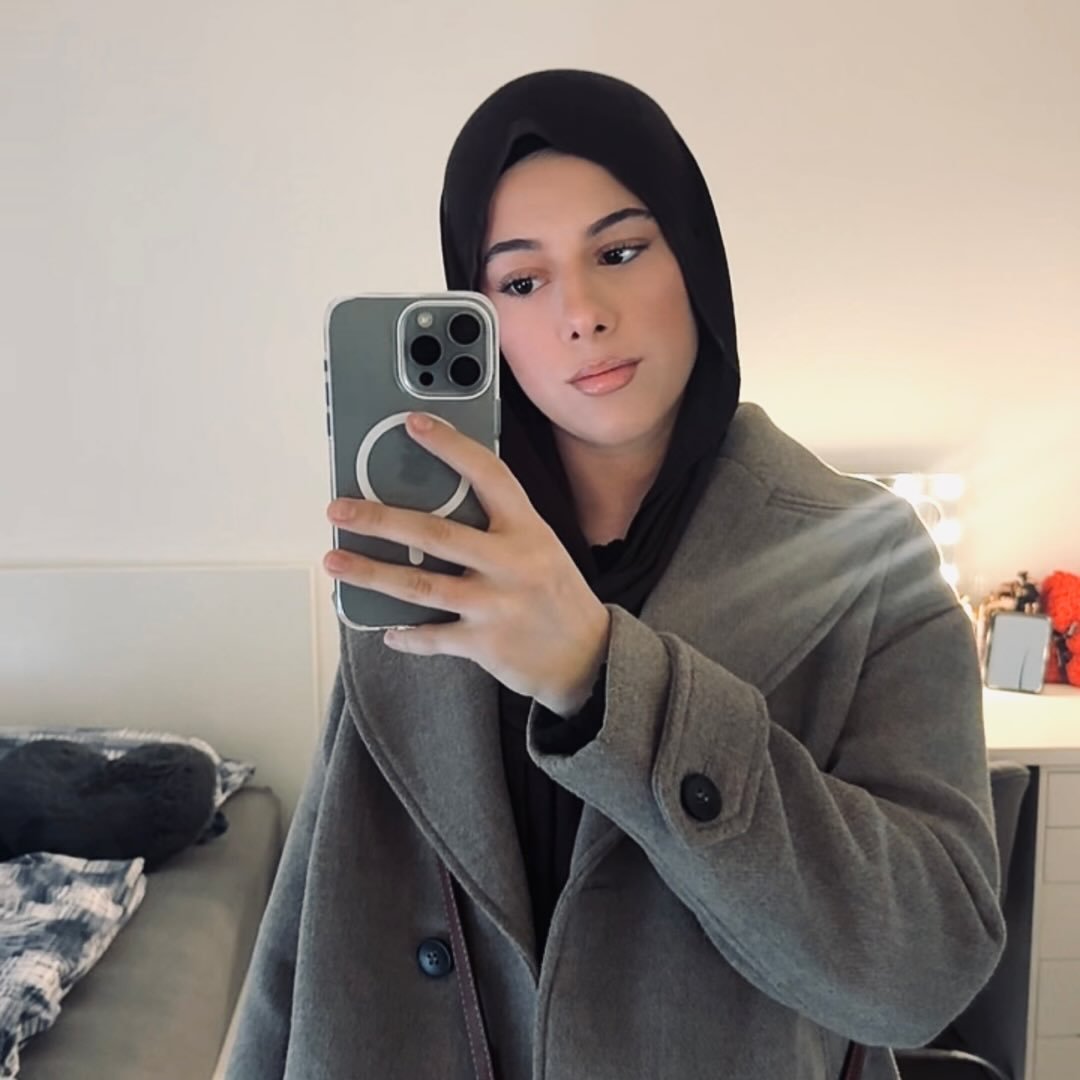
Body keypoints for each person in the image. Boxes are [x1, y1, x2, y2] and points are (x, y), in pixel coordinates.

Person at [226, 69, 1004, 1080]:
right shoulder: (425, 552)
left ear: (694, 258)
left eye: (621, 251)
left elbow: (926, 970)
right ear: (480, 311)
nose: (582, 313)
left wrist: (603, 679)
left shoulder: (864, 555)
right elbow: (310, 922)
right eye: (521, 282)